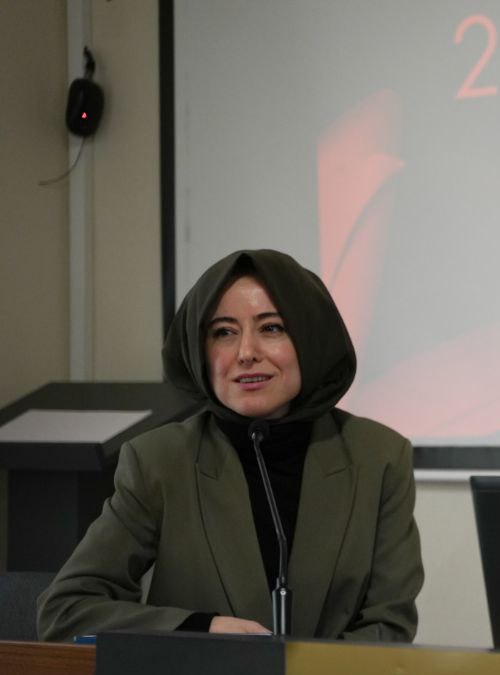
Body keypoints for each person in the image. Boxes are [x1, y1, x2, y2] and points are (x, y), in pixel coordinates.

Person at [37, 249, 423, 642]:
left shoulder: (379, 458)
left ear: (311, 339)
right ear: (199, 351)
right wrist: (201, 629)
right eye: (224, 332)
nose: (246, 353)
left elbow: (389, 625)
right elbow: (66, 610)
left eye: (271, 328)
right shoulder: (159, 460)